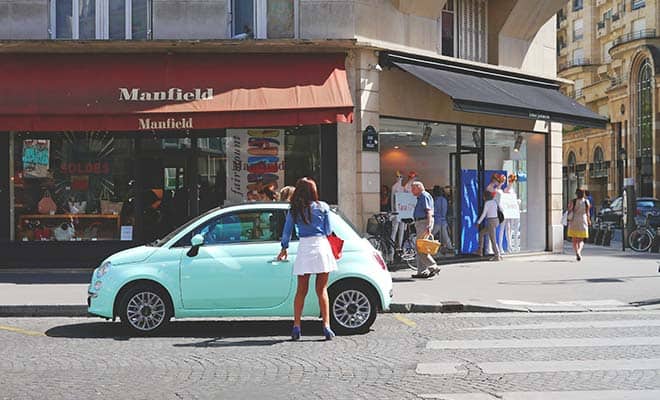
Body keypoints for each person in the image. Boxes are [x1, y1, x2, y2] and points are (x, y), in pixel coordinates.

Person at [277, 177, 337, 341]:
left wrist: (284, 248)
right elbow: (328, 230)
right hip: (321, 246)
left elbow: (287, 231)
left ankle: (297, 325)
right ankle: (326, 325)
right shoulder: (323, 206)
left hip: (305, 247)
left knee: (301, 291)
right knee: (322, 290)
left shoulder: (294, 209)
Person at [410, 181, 440, 278]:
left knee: (420, 248)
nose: (411, 190)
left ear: (419, 187)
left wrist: (428, 225)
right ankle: (422, 271)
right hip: (421, 222)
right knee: (421, 248)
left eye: (413, 188)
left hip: (424, 223)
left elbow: (429, 211)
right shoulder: (421, 197)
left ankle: (433, 266)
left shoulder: (424, 196)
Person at [474, 190, 502, 261]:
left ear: (485, 197)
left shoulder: (487, 203)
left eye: (483, 196)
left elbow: (484, 214)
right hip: (496, 220)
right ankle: (480, 251)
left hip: (491, 221)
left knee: (493, 239)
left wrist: (478, 222)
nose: (483, 197)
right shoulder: (494, 202)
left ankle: (497, 255)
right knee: (481, 233)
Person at [567, 188, 591, 261]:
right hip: (583, 220)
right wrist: (589, 220)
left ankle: (576, 252)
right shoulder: (587, 202)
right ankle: (579, 252)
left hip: (574, 220)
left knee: (574, 239)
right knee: (581, 240)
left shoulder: (573, 201)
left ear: (576, 194)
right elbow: (587, 213)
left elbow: (569, 209)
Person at [431, 185, 453, 254]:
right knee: (445, 235)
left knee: (431, 234)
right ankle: (450, 247)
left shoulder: (436, 200)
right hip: (443, 220)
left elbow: (434, 210)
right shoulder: (444, 200)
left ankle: (427, 246)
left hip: (437, 220)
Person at [390, 171, 406, 249]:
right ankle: (392, 250)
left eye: (400, 177)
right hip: (396, 212)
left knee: (401, 231)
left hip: (402, 212)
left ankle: (399, 248)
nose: (399, 179)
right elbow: (392, 201)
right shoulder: (394, 187)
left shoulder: (403, 188)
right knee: (395, 231)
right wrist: (393, 212)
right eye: (398, 177)